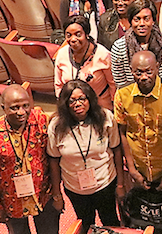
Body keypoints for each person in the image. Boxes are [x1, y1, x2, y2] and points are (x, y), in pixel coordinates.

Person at [0, 85, 61, 234]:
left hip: (44, 195)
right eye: (15, 108)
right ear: (3, 108)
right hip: (11, 201)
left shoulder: (40, 120)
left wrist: (57, 194)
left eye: (25, 106)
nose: (21, 112)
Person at [48, 80, 122, 226]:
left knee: (111, 222)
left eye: (82, 98)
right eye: (72, 100)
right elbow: (53, 160)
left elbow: (117, 149)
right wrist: (57, 195)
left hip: (105, 183)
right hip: (74, 187)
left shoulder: (105, 117)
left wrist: (120, 185)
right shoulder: (56, 126)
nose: (78, 104)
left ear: (90, 99)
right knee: (85, 224)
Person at [115, 51, 162, 194]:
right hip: (137, 172)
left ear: (157, 68)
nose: (144, 77)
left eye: (149, 72)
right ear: (131, 71)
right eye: (138, 73)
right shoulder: (122, 95)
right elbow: (122, 132)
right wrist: (132, 169)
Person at [109, 0, 162, 88]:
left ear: (153, 20)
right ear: (131, 22)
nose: (141, 23)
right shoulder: (119, 48)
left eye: (146, 19)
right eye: (137, 19)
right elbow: (121, 85)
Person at [53, 15, 115, 110]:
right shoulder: (61, 54)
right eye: (68, 35)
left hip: (100, 108)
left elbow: (113, 85)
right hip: (73, 109)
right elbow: (59, 85)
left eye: (78, 35)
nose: (73, 39)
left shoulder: (103, 55)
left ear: (87, 34)